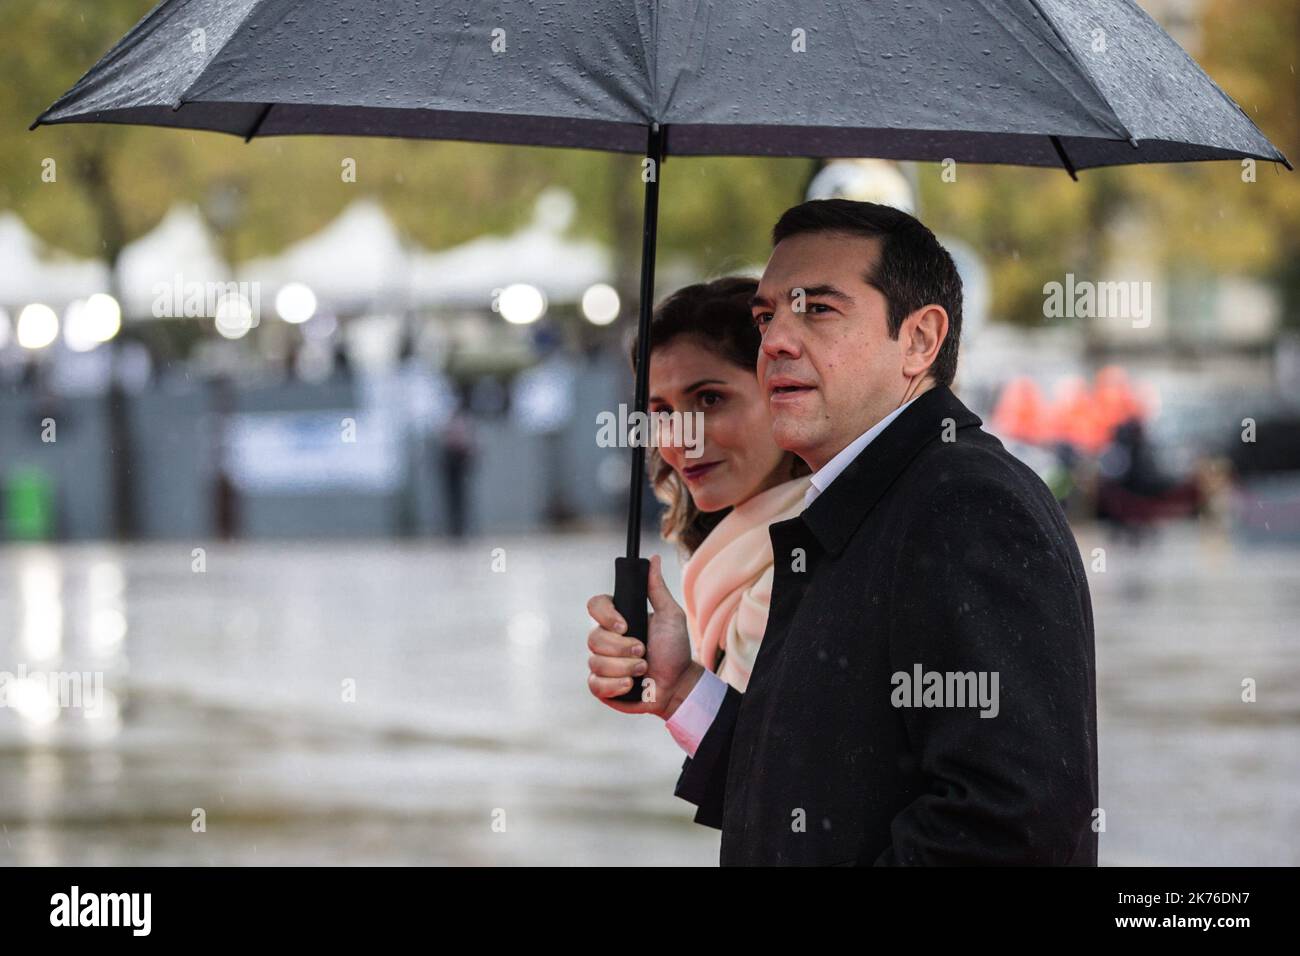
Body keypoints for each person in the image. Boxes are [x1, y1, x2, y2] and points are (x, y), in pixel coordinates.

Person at [586, 200, 1098, 865]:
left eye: (817, 310)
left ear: (918, 340)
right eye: (767, 316)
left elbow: (1009, 828)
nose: (775, 341)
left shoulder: (963, 503)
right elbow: (814, 789)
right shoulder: (854, 509)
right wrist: (681, 686)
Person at [631, 276, 811, 692]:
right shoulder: (741, 549)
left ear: (785, 390)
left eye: (710, 400)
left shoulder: (808, 559)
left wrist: (680, 693)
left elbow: (756, 750)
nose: (679, 438)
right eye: (661, 412)